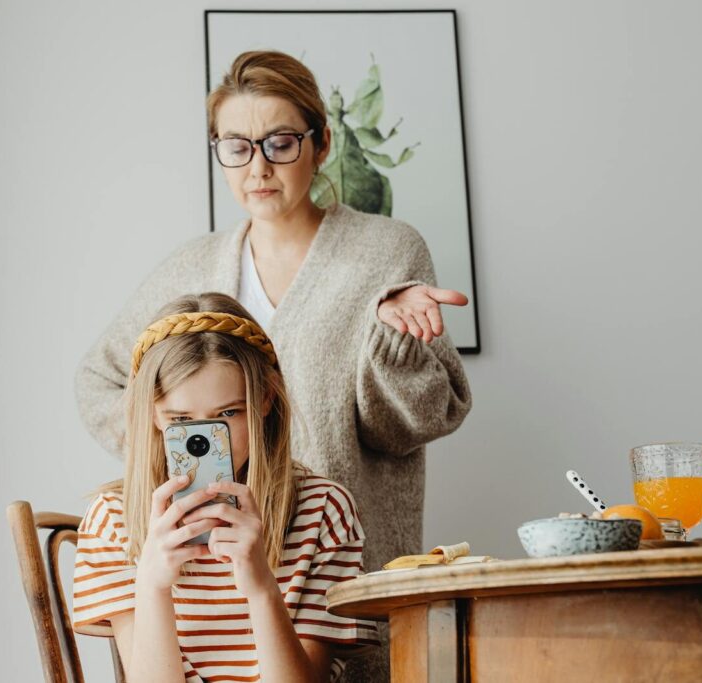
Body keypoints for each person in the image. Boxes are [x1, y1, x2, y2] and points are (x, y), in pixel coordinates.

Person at [75, 50, 472, 677]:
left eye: (281, 142)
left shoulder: (386, 252)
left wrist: (400, 345)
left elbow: (410, 424)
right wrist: (187, 448)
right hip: (202, 589)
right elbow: (101, 380)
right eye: (236, 146)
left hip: (336, 570)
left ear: (320, 144)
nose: (257, 166)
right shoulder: (188, 269)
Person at [72, 293, 379, 683]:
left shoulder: (323, 511)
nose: (204, 439)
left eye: (227, 414)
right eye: (180, 419)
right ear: (151, 412)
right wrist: (151, 585)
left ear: (265, 399)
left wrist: (262, 588)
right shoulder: (113, 520)